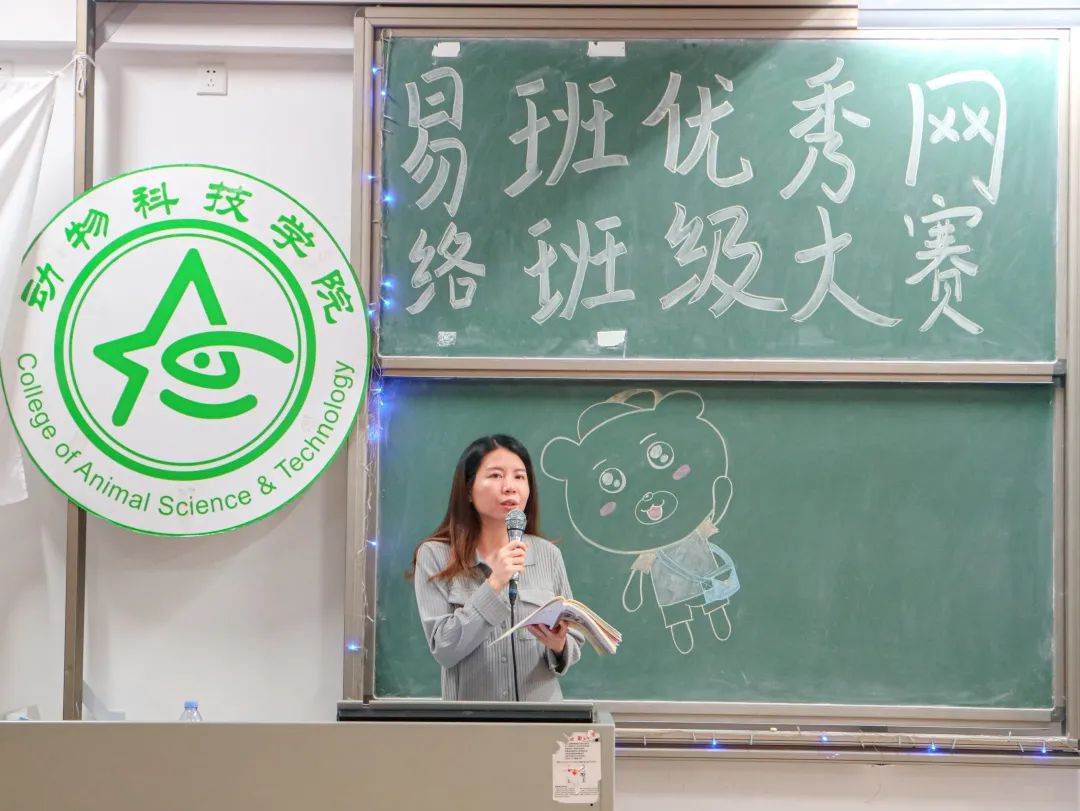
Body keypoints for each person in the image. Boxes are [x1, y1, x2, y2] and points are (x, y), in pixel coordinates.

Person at [410, 434, 582, 701]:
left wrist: (559, 644)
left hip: (541, 720)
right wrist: (494, 584)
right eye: (496, 475)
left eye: (519, 477)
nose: (510, 487)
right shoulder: (435, 555)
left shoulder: (548, 554)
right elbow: (444, 649)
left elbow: (573, 641)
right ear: (468, 489)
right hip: (471, 720)